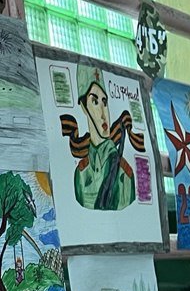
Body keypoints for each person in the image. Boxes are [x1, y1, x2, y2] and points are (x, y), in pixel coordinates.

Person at [60, 63, 145, 211]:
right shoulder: (81, 174)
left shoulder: (125, 174)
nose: (103, 113)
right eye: (95, 102)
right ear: (84, 107)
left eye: (104, 103)